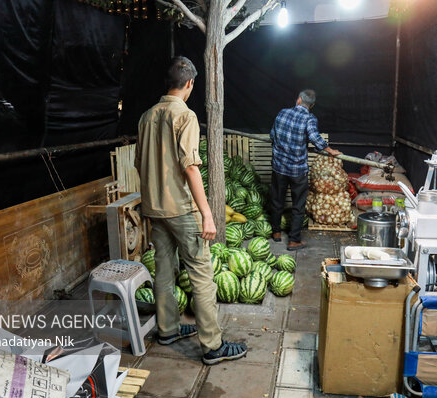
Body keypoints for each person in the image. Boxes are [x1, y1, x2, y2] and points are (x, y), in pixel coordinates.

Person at [135, 56, 247, 365]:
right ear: (189, 84)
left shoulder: (146, 117)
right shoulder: (184, 115)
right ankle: (213, 346)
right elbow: (191, 168)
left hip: (155, 210)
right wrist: (208, 214)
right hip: (182, 211)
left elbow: (139, 165)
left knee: (164, 271)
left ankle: (167, 329)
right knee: (202, 276)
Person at [269, 89, 341, 251]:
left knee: (276, 200)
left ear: (299, 100)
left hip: (279, 167)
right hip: (298, 170)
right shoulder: (309, 118)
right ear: (312, 105)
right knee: (298, 205)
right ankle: (294, 240)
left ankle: (276, 233)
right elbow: (315, 138)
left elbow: (272, 135)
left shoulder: (282, 113)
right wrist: (331, 151)